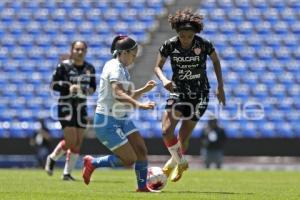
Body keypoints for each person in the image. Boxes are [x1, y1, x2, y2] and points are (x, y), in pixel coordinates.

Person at [154, 8, 226, 182]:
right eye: (182, 35)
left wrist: (220, 87)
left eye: (189, 36)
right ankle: (181, 161)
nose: (185, 39)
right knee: (166, 130)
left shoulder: (204, 44)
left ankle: (175, 164)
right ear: (177, 33)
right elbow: (157, 67)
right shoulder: (169, 45)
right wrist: (164, 80)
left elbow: (216, 61)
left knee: (182, 138)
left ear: (195, 33)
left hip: (199, 95)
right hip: (178, 92)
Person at [82, 35, 157, 192]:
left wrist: (143, 90)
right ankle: (93, 163)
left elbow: (125, 93)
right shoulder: (114, 67)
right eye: (133, 55)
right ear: (123, 52)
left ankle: (142, 188)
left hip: (121, 117)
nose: (134, 59)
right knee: (129, 159)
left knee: (141, 150)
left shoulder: (122, 69)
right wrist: (138, 105)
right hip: (107, 120)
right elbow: (118, 93)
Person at [45, 40, 96, 180]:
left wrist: (84, 90)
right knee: (71, 141)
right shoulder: (63, 66)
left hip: (81, 106)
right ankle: (52, 157)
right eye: (77, 49)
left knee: (78, 142)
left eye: (82, 50)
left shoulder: (90, 68)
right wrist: (68, 87)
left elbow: (93, 88)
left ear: (85, 51)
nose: (79, 52)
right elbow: (53, 85)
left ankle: (67, 174)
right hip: (66, 106)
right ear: (72, 50)